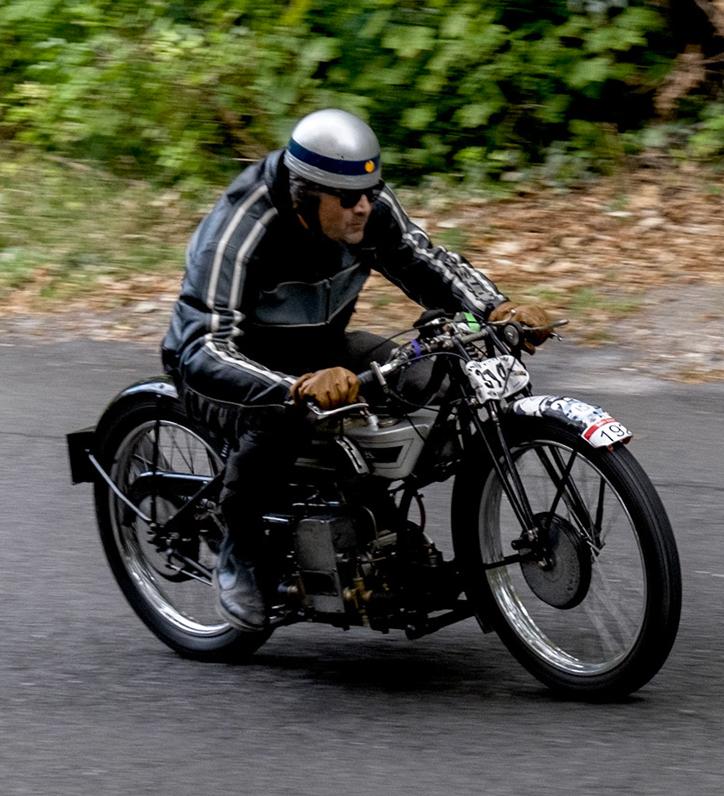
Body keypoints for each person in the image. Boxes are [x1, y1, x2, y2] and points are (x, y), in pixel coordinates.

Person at [161, 108, 554, 631]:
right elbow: (202, 348)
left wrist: (496, 308)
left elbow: (422, 259)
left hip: (321, 350)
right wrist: (294, 388)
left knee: (426, 376)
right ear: (304, 196)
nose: (364, 206)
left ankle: (376, 521)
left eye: (371, 191)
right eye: (348, 198)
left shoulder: (365, 205)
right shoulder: (240, 230)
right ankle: (241, 551)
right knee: (282, 420)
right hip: (228, 370)